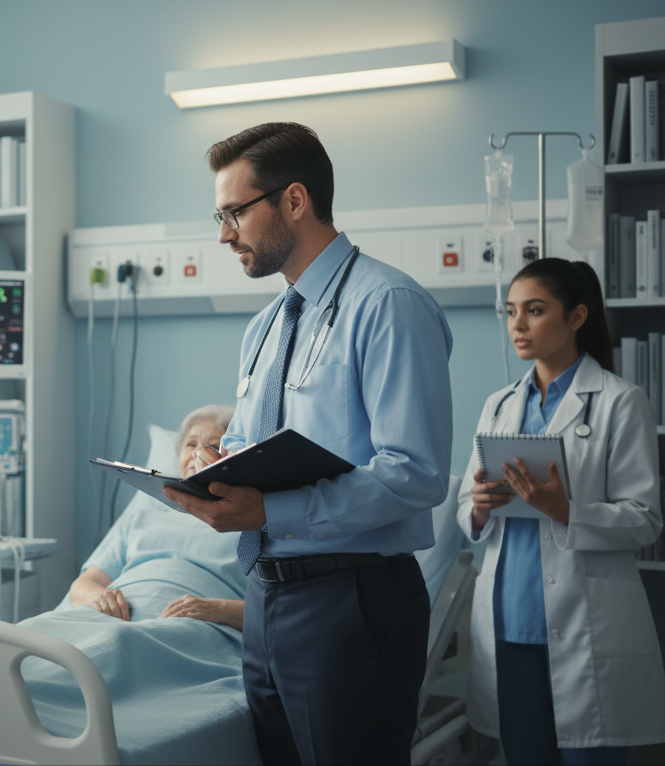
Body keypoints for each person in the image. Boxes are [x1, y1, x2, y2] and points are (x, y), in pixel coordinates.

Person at [164, 122, 453, 764]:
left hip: (353, 597)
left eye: (235, 212)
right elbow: (249, 440)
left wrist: (269, 511)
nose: (223, 234)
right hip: (266, 597)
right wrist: (215, 468)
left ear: (294, 200)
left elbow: (415, 474)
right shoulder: (266, 325)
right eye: (219, 215)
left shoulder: (388, 304)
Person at [458, 258, 665, 765]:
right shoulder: (498, 405)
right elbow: (467, 505)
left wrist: (565, 510)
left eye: (534, 310)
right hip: (509, 623)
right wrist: (480, 508)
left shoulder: (621, 401)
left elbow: (645, 519)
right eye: (510, 312)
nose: (518, 326)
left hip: (586, 624)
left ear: (576, 317)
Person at [71, 405, 244, 630]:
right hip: (109, 622)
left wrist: (219, 609)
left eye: (212, 446)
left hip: (190, 630)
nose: (197, 454)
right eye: (191, 444)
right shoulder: (141, 520)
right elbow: (83, 586)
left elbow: (276, 611)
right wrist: (98, 598)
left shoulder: (251, 526)